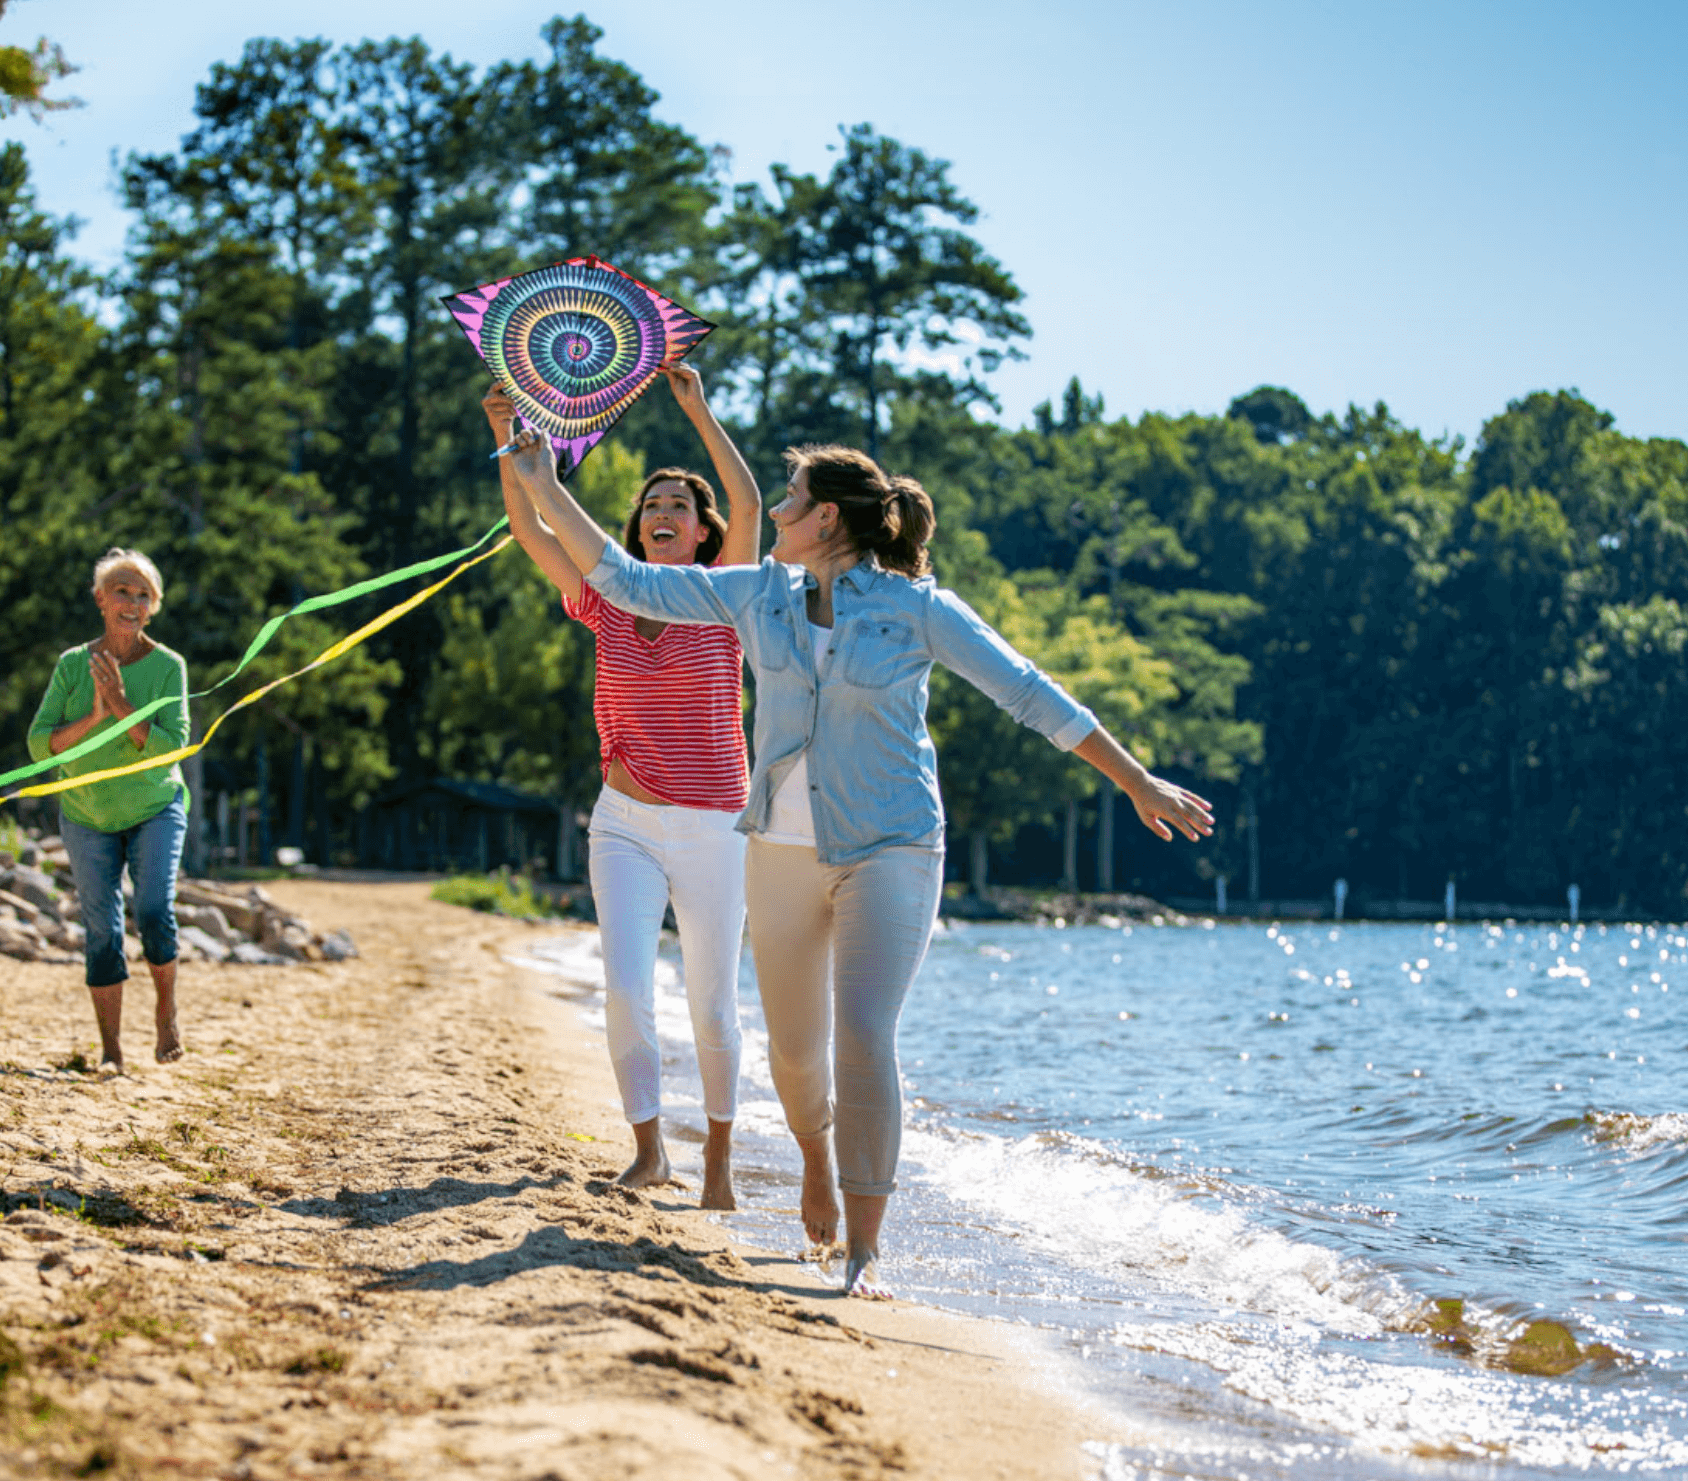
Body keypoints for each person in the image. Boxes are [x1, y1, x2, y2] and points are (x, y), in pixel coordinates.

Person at [502, 432, 1213, 1293]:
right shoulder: (760, 594)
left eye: (789, 496)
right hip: (780, 848)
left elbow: (1028, 692)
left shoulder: (917, 609)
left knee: (865, 1035)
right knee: (798, 1058)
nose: (774, 511)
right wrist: (541, 482)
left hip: (894, 842)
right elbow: (629, 582)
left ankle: (866, 1246)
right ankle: (814, 1157)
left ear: (825, 517)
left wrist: (1137, 781)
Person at [487, 361, 760, 1208]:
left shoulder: (726, 595)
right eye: (652, 506)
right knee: (625, 987)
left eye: (680, 506)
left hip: (717, 825)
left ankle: (717, 1160)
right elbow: (533, 532)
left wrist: (699, 411)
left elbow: (749, 505)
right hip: (625, 821)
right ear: (637, 532)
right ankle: (649, 1151)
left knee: (713, 1005)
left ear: (703, 533)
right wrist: (507, 440)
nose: (663, 513)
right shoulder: (604, 599)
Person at [26, 548, 191, 1074]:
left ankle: (166, 1011)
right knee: (102, 933)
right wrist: (95, 714)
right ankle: (111, 1050)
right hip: (85, 814)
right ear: (101, 599)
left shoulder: (169, 668)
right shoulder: (74, 665)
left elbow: (173, 748)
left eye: (143, 595)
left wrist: (120, 703)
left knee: (153, 912)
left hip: (154, 808)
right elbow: (38, 745)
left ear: (154, 608)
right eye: (122, 590)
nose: (132, 602)